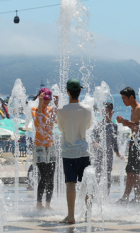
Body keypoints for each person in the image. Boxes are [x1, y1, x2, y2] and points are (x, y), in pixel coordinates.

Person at [57, 79, 92, 224]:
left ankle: (71, 216)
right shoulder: (87, 110)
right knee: (87, 183)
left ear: (67, 92)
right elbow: (88, 127)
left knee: (70, 183)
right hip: (83, 151)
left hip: (68, 152)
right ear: (80, 91)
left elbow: (60, 128)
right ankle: (88, 214)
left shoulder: (61, 111)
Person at [32, 87, 58, 210]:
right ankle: (38, 203)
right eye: (45, 100)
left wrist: (57, 107)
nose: (47, 102)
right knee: (44, 175)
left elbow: (59, 121)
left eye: (48, 100)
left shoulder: (51, 109)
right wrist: (40, 103)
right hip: (39, 146)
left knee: (51, 177)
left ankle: (48, 204)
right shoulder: (34, 109)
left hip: (51, 146)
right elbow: (39, 123)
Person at [92, 102, 123, 195]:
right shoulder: (98, 125)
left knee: (108, 174)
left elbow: (115, 142)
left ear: (112, 112)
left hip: (109, 154)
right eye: (105, 112)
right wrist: (94, 142)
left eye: (108, 112)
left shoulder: (114, 126)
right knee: (97, 173)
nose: (106, 114)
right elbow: (92, 136)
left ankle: (107, 195)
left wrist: (118, 153)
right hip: (99, 153)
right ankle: (94, 194)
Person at [116, 87, 140, 204]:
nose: (123, 101)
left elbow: (138, 127)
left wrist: (125, 122)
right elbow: (134, 126)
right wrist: (125, 122)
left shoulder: (139, 109)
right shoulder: (132, 110)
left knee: (135, 171)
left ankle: (136, 197)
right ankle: (128, 197)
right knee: (130, 170)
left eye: (124, 98)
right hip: (134, 141)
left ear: (131, 97)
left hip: (139, 142)